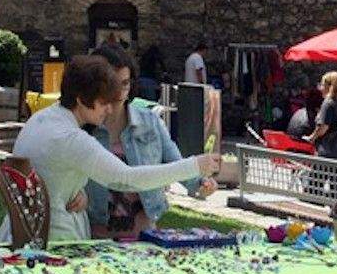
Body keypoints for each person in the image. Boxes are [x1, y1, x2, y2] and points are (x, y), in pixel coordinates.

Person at [12, 54, 218, 241]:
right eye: (103, 102)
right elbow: (126, 179)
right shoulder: (72, 138)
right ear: (81, 100)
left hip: (30, 232)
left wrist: (75, 191)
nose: (110, 108)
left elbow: (51, 175)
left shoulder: (41, 119)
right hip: (57, 237)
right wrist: (194, 165)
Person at [84, 45, 217, 239]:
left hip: (146, 234)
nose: (120, 91)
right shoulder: (83, 126)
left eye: (126, 83)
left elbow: (175, 162)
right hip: (94, 235)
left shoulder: (150, 121)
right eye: (113, 83)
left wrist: (201, 183)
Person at [303, 71, 337, 161]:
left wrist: (312, 137)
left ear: (328, 87)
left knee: (318, 175)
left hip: (329, 154)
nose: (320, 88)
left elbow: (323, 127)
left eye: (322, 85)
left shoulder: (328, 103)